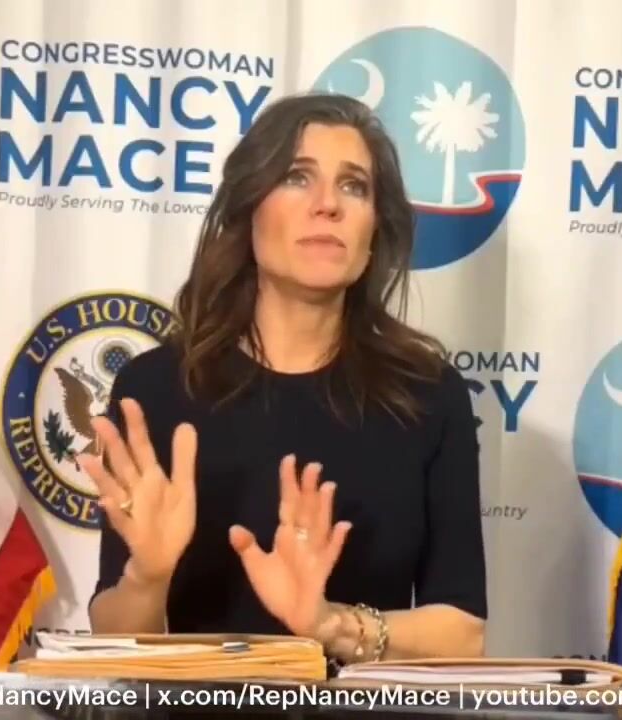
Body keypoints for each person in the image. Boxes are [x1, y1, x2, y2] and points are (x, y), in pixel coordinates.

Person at [82, 92, 487, 666]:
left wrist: (330, 625)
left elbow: (464, 633)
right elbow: (116, 644)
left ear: (376, 228)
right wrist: (147, 578)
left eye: (354, 186)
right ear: (249, 209)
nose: (328, 205)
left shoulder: (427, 394)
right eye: (298, 178)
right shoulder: (156, 389)